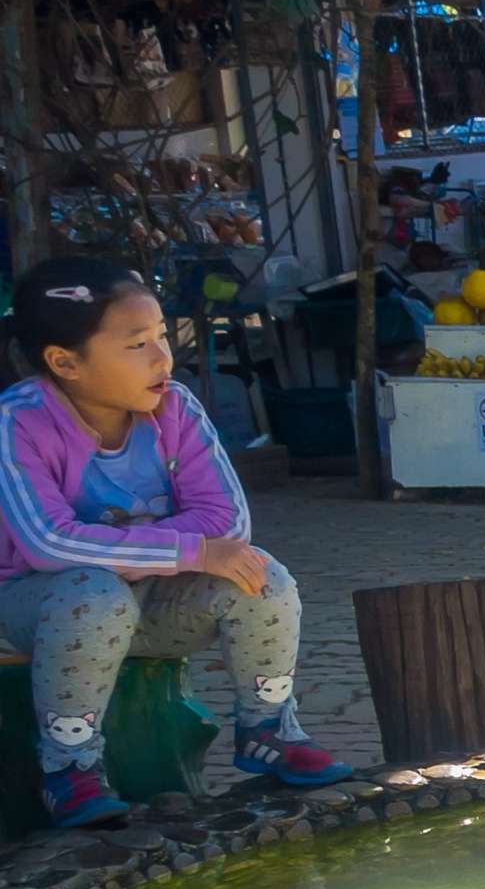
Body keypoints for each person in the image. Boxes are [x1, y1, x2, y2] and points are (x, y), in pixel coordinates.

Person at [2, 258, 351, 826]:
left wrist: (134, 545)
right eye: (137, 344)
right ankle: (70, 766)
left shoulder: (176, 406)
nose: (162, 357)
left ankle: (267, 729)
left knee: (261, 576)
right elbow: (50, 545)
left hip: (154, 604)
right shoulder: (18, 422)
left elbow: (227, 524)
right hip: (41, 605)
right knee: (94, 595)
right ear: (66, 362)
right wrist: (188, 550)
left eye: (162, 335)